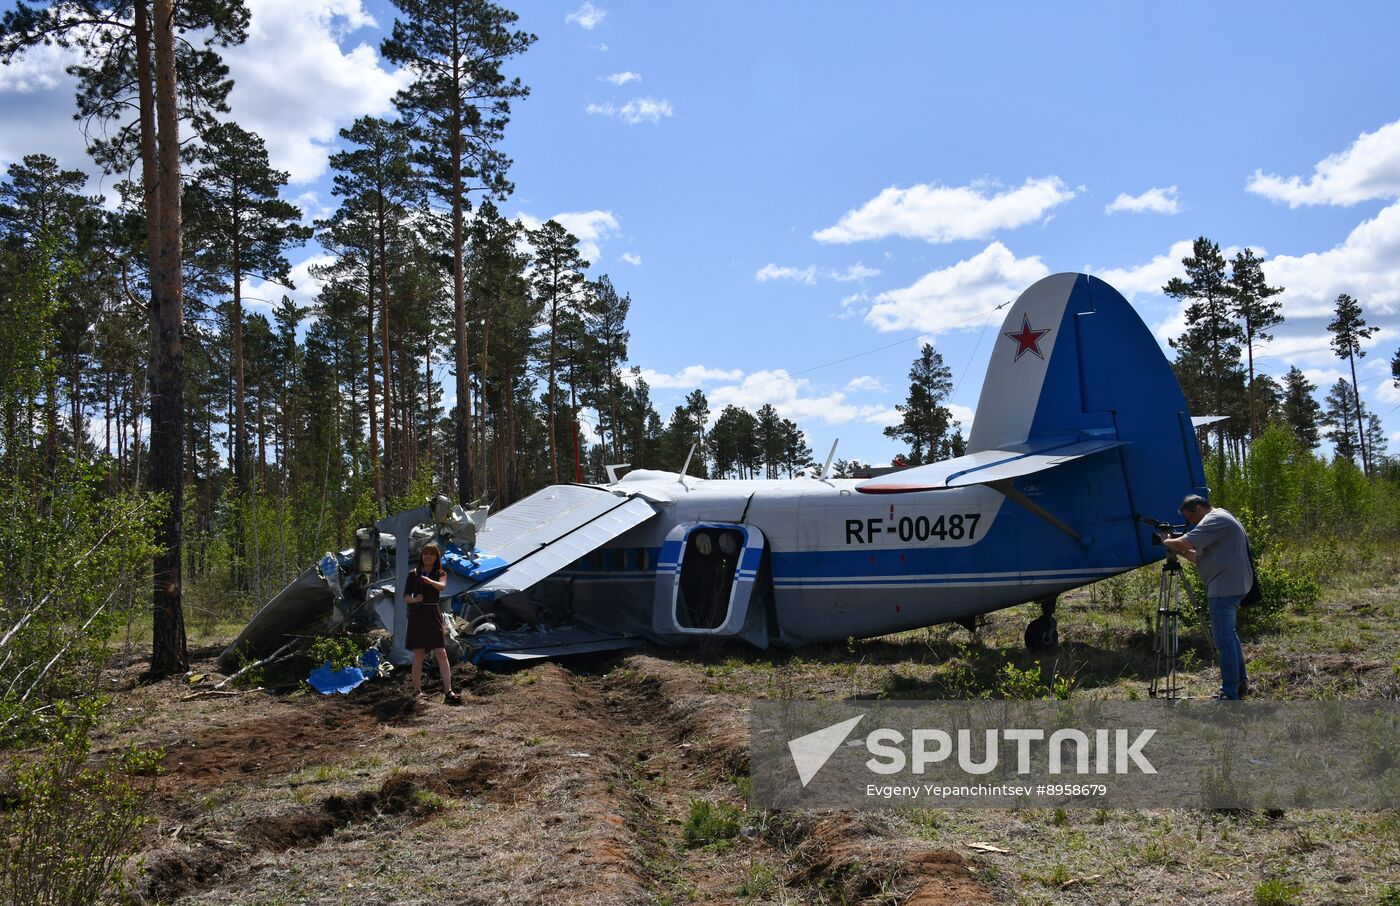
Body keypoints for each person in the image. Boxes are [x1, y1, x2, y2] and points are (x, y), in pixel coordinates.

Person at [1163, 495, 1251, 700]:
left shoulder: (1214, 519)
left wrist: (1167, 539)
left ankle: (1229, 694)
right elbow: (1196, 556)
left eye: (1191, 516)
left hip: (1224, 589)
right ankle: (1239, 684)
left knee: (1224, 642)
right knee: (1230, 637)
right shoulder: (1221, 518)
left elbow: (1185, 543)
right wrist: (1176, 547)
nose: (1191, 522)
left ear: (1200, 508)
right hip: (1231, 585)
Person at [404, 542, 461, 705]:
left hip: (433, 613)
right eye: (425, 553)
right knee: (419, 654)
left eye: (431, 554)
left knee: (441, 652)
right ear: (421, 556)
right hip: (417, 614)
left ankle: (448, 691)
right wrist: (414, 600)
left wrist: (430, 581)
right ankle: (416, 691)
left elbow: (442, 587)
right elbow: (405, 597)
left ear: (436, 557)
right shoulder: (413, 574)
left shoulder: (440, 573)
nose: (428, 556)